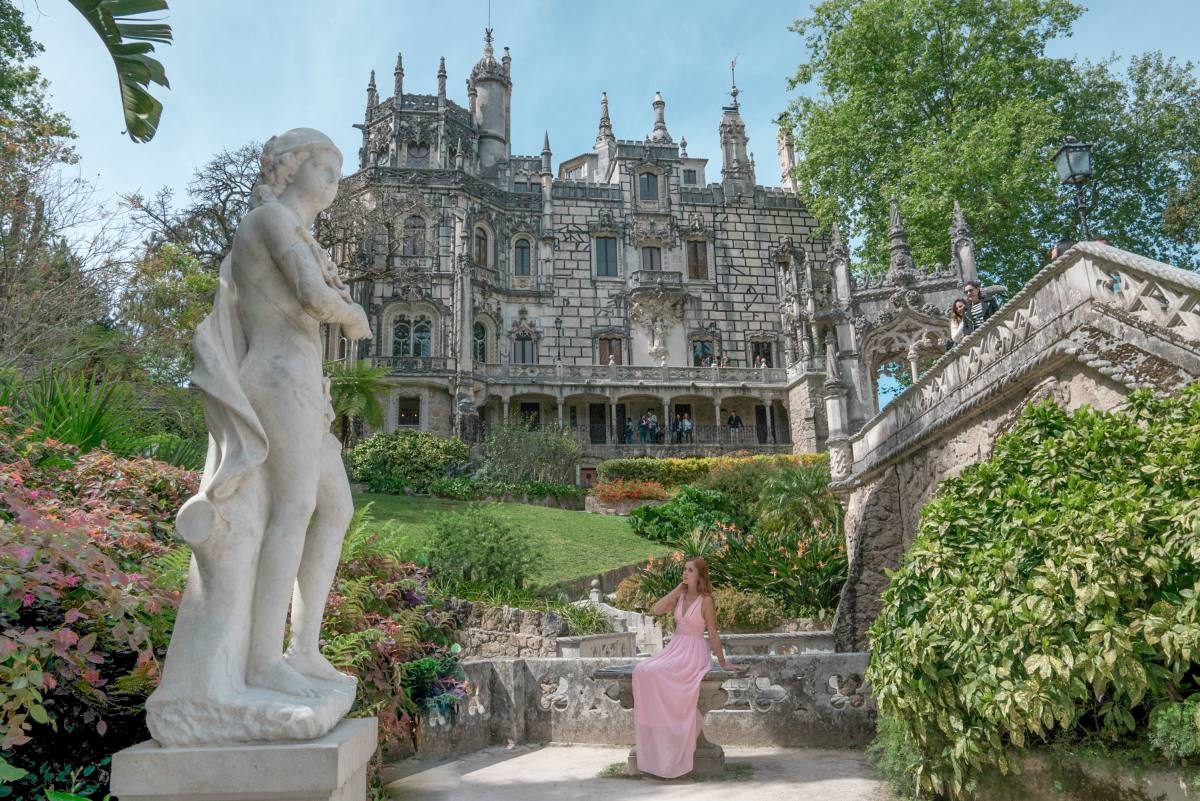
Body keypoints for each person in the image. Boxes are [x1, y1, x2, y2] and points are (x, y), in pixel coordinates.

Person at [633, 557, 736, 778]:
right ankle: (658, 736)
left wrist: (723, 661)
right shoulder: (679, 596)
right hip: (675, 647)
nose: (685, 573)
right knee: (642, 670)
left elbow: (713, 633)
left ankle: (677, 733)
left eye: (690, 570)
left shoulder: (706, 600)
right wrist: (676, 590)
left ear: (699, 575)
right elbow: (656, 609)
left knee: (654, 672)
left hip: (693, 652)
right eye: (684, 569)